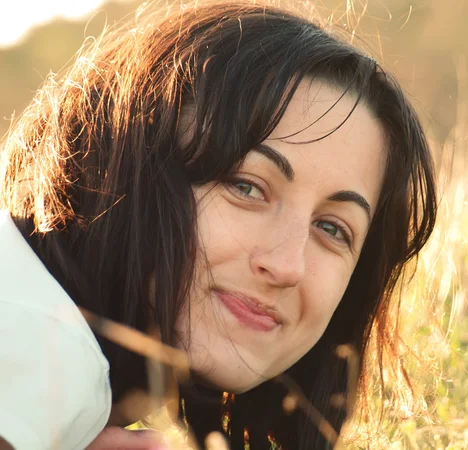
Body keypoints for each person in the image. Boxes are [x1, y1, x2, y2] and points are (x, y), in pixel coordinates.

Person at [0, 1, 437, 449]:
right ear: (130, 161)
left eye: (332, 229)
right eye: (247, 187)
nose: (288, 265)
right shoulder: (41, 344)